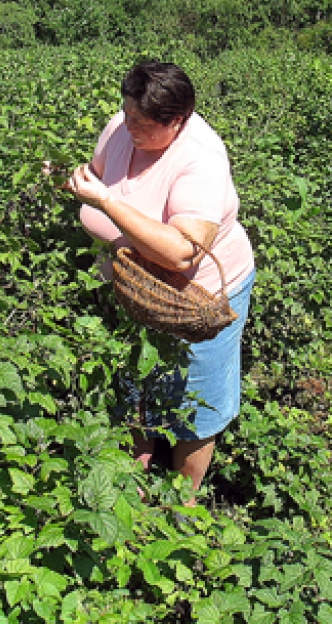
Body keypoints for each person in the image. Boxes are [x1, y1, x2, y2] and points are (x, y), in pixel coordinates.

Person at [64, 60, 255, 501]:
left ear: (177, 122)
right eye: (126, 113)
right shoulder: (121, 127)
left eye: (141, 122)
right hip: (136, 292)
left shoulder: (200, 160)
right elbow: (97, 172)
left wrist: (106, 203)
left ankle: (182, 503)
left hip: (197, 299)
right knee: (137, 384)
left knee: (196, 397)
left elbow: (181, 252)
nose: (127, 125)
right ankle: (136, 488)